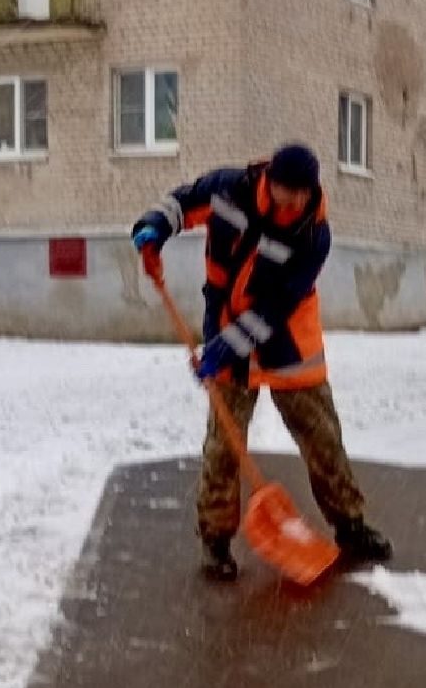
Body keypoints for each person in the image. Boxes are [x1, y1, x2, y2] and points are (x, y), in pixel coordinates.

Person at [131, 144, 393, 581]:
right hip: (225, 324)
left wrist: (224, 347)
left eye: (300, 194)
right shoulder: (228, 189)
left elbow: (277, 305)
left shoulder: (314, 236)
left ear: (313, 192)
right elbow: (181, 203)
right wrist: (153, 227)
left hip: (289, 341)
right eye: (283, 190)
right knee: (223, 443)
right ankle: (215, 541)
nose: (291, 202)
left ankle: (351, 526)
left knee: (322, 437)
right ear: (268, 179)